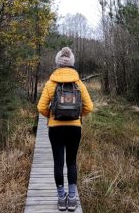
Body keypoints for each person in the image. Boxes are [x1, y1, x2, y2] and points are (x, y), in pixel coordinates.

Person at [37, 47, 93, 211]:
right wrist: (77, 115)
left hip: (55, 129)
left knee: (58, 163)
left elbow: (41, 107)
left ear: (57, 63)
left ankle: (62, 199)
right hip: (74, 128)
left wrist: (52, 115)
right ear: (72, 63)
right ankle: (73, 199)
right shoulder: (78, 84)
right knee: (72, 162)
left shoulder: (50, 83)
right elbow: (89, 107)